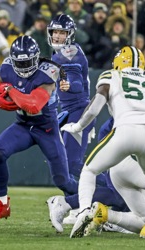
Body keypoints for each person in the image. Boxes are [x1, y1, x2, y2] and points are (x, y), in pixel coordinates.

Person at [61, 46, 145, 238]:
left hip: (124, 136)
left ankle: (84, 213)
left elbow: (94, 109)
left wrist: (78, 127)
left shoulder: (112, 76)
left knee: (89, 170)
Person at [0, 35, 78, 224]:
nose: (24, 68)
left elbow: (33, 106)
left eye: (28, 63)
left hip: (47, 129)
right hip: (24, 126)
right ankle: (2, 205)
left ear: (37, 58)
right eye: (20, 63)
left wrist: (10, 92)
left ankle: (92, 200)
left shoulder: (48, 72)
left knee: (63, 181)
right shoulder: (7, 67)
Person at [47, 14, 97, 184]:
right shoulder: (59, 53)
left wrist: (69, 84)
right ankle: (76, 199)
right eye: (55, 32)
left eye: (62, 32)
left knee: (72, 164)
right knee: (61, 163)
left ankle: (113, 191)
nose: (57, 36)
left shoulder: (69, 52)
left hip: (79, 112)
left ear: (70, 34)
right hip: (71, 112)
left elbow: (76, 81)